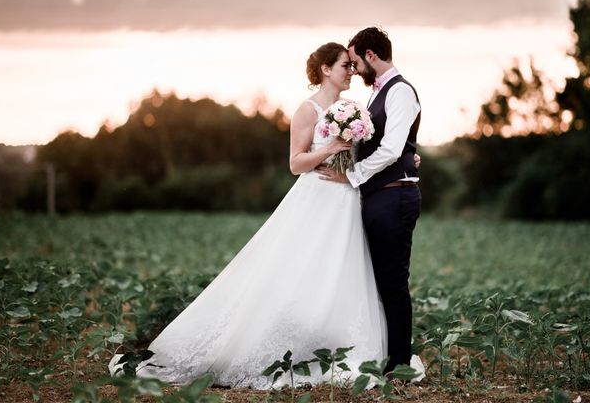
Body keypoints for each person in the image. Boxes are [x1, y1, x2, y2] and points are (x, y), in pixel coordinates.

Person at [108, 42, 387, 388]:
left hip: (346, 198)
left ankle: (337, 342)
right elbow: (295, 163)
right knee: (301, 268)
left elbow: (367, 155)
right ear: (326, 70)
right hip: (317, 198)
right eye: (345, 65)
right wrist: (330, 149)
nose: (351, 71)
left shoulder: (352, 108)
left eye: (351, 65)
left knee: (342, 268)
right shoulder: (308, 110)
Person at [316, 27, 421, 373]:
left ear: (371, 56)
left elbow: (392, 148)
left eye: (356, 60)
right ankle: (389, 358)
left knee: (393, 282)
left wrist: (353, 175)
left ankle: (400, 366)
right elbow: (395, 147)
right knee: (380, 281)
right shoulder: (379, 94)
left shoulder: (400, 91)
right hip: (380, 197)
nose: (355, 68)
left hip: (394, 198)